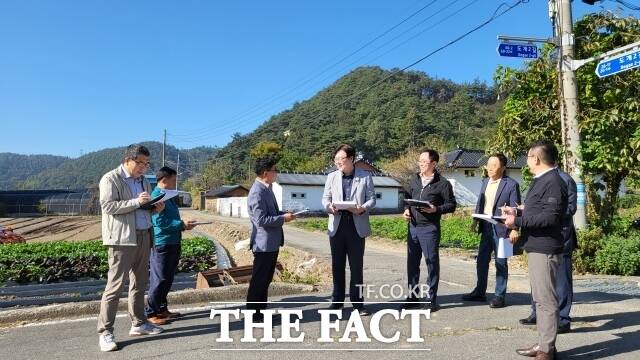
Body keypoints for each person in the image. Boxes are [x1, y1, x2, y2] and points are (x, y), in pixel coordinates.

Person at [97, 144, 165, 352]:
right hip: (122, 239)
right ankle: (105, 332)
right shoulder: (111, 179)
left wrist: (154, 208)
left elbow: (141, 207)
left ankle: (139, 323)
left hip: (145, 234)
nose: (144, 167)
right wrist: (136, 201)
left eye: (146, 163)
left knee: (140, 283)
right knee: (115, 286)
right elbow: (108, 206)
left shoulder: (143, 180)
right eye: (140, 163)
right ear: (127, 160)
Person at [503, 140, 568, 360]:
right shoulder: (542, 180)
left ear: (536, 158)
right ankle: (544, 344)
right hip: (537, 245)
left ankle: (546, 350)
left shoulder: (554, 181)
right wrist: (518, 211)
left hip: (545, 247)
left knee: (546, 299)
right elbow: (539, 209)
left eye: (529, 157)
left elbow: (551, 217)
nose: (527, 161)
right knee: (540, 298)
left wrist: (518, 222)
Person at [519, 166, 577, 334]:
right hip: (540, 238)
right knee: (540, 280)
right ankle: (537, 313)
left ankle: (563, 318)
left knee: (562, 279)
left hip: (560, 236)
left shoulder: (565, 179)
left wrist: (548, 211)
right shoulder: (539, 179)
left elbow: (571, 208)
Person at [321, 144, 376, 315]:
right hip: (337, 225)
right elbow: (325, 199)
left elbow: (372, 199)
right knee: (337, 265)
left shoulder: (365, 176)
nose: (338, 163)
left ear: (351, 159)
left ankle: (358, 304)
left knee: (356, 266)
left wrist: (362, 208)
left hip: (356, 225)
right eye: (336, 159)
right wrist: (330, 207)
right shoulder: (331, 177)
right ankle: (337, 301)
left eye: (341, 159)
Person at [463, 154, 521, 308]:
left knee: (501, 262)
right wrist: (475, 221)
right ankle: (479, 291)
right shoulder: (484, 182)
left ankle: (499, 296)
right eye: (488, 164)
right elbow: (480, 203)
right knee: (481, 261)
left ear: (503, 168)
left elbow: (516, 209)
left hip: (504, 229)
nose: (489, 168)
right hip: (486, 227)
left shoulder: (511, 184)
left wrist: (514, 229)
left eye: (494, 165)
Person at [402, 149, 456, 312]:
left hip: (429, 228)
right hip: (413, 227)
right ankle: (413, 298)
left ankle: (431, 299)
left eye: (423, 162)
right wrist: (406, 209)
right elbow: (406, 197)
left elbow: (452, 205)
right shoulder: (414, 180)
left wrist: (436, 209)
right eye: (419, 161)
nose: (420, 164)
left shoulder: (443, 183)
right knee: (412, 264)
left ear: (433, 164)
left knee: (431, 263)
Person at [246, 155, 296, 322]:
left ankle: (261, 310)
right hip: (263, 243)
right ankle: (254, 313)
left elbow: (270, 214)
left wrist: (284, 214)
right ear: (266, 173)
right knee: (259, 279)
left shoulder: (267, 188)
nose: (277, 173)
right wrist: (283, 219)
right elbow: (261, 220)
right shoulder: (257, 191)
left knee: (266, 278)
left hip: (270, 242)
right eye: (275, 170)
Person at [145, 166, 197, 325]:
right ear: (165, 180)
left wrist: (182, 225)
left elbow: (170, 218)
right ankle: (151, 312)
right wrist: (181, 224)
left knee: (167, 278)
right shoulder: (157, 196)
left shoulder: (168, 196)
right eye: (174, 180)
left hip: (173, 241)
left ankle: (162, 309)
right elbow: (159, 222)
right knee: (160, 279)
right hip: (162, 242)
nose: (175, 183)